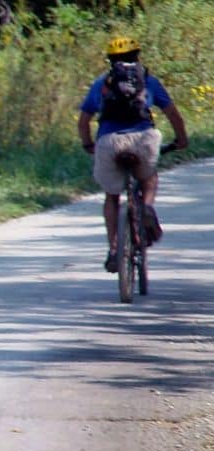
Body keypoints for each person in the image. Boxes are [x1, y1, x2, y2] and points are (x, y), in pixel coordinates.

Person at [77, 36, 188, 273]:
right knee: (149, 177)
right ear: (137, 56)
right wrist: (181, 140)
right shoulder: (149, 81)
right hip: (143, 140)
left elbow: (84, 120)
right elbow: (173, 114)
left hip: (109, 142)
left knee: (111, 196)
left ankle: (114, 249)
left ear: (111, 60)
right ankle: (146, 206)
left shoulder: (102, 84)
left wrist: (88, 145)